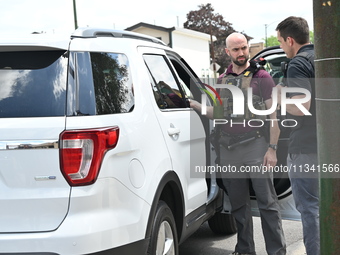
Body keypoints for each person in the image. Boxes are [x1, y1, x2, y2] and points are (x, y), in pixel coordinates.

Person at [190, 32, 286, 255]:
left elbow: (274, 118)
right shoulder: (223, 80)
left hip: (256, 147)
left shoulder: (262, 77)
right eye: (236, 49)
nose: (241, 53)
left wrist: (272, 149)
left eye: (244, 48)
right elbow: (219, 114)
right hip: (228, 150)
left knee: (268, 205)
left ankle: (277, 252)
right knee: (239, 207)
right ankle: (244, 250)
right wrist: (195, 105)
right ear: (227, 52)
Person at [276, 16, 319, 255]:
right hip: (330, 146)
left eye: (281, 42)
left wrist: (279, 96)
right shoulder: (324, 58)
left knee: (311, 210)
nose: (282, 47)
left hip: (306, 150)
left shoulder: (298, 64)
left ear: (290, 40)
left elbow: (301, 106)